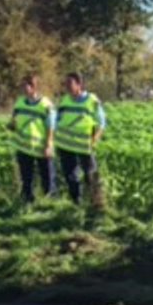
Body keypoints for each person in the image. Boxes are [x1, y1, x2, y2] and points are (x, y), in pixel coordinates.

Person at [55, 72, 107, 208]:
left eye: (70, 83)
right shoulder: (64, 100)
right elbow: (57, 120)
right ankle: (76, 203)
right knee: (70, 175)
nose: (67, 86)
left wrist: (95, 139)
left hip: (84, 145)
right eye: (66, 84)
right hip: (66, 144)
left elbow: (101, 122)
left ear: (79, 84)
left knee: (91, 174)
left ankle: (96, 203)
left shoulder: (92, 101)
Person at [8, 75, 57, 203]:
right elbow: (14, 120)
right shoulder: (19, 103)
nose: (23, 89)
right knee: (26, 177)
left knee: (47, 176)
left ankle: (50, 202)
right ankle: (27, 201)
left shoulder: (45, 105)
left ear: (34, 87)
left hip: (41, 146)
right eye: (23, 86)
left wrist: (49, 144)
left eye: (26, 86)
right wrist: (11, 126)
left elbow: (51, 126)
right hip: (24, 146)